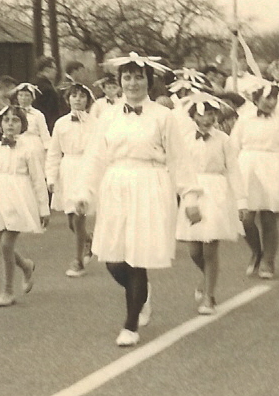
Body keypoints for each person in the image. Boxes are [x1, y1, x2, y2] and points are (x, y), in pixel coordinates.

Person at [75, 52, 196, 347]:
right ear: (119, 82)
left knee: (137, 258)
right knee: (113, 260)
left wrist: (190, 195)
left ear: (148, 81)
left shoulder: (163, 116)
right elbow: (94, 157)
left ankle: (130, 325)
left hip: (150, 186)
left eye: (138, 77)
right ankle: (143, 293)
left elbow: (180, 158)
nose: (132, 83)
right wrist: (83, 192)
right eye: (127, 77)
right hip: (116, 186)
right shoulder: (107, 115)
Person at [0, 105, 49, 307]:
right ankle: (26, 265)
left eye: (15, 120)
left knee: (6, 245)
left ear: (23, 124)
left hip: (20, 198)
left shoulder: (28, 150)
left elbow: (38, 180)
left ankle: (7, 291)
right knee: (4, 247)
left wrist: (44, 208)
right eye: (7, 120)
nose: (10, 124)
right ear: (0, 124)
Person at [175, 94, 244, 315]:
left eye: (212, 114)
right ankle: (207, 278)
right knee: (195, 249)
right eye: (202, 114)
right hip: (192, 191)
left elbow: (233, 168)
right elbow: (179, 169)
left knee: (210, 246)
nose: (207, 119)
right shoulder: (184, 140)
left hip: (217, 191)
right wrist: (183, 196)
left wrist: (241, 200)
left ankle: (209, 296)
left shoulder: (223, 140)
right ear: (193, 116)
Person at [231, 83, 279, 279]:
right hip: (247, 167)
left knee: (268, 217)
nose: (270, 102)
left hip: (274, 167)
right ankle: (257, 251)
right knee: (246, 218)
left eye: (273, 98)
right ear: (256, 99)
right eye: (266, 98)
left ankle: (268, 261)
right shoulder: (245, 118)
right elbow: (233, 147)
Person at [45, 83, 97, 277]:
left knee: (79, 216)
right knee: (71, 221)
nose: (77, 99)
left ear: (88, 100)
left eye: (82, 96)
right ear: (68, 100)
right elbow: (54, 152)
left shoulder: (95, 123)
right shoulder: (61, 124)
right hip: (68, 169)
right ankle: (88, 241)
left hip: (86, 168)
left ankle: (78, 261)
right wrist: (51, 177)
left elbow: (100, 150)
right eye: (74, 96)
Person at [9, 83, 52, 160]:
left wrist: (47, 150)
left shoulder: (38, 115)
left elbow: (44, 134)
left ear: (32, 98)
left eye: (27, 95)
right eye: (21, 95)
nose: (23, 98)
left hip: (34, 146)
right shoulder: (12, 112)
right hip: (18, 144)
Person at [32, 56, 64, 131]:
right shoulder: (48, 89)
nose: (56, 71)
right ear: (46, 69)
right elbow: (51, 115)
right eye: (54, 68)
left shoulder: (32, 83)